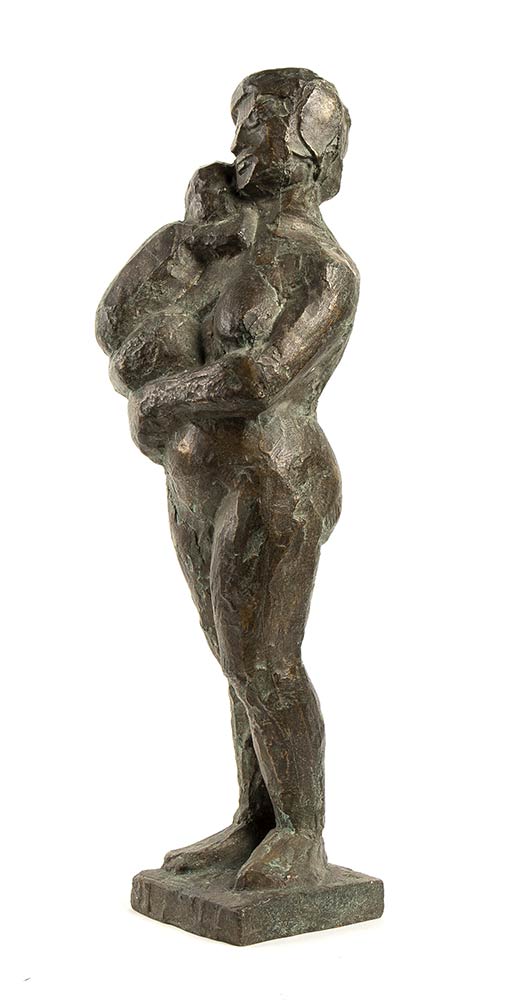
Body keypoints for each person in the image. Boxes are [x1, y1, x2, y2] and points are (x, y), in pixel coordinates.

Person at [97, 67, 359, 889]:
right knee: (233, 657)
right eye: (241, 120)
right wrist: (186, 237)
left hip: (274, 482)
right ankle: (255, 819)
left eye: (264, 122)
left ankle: (302, 831)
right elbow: (115, 329)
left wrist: (160, 399)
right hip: (196, 483)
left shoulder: (323, 269)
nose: (241, 138)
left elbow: (260, 378)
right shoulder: (219, 245)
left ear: (313, 147)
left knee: (264, 661)